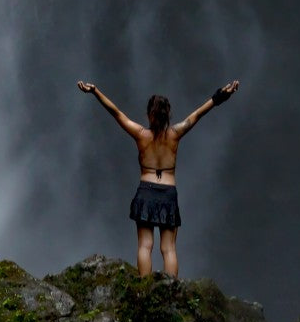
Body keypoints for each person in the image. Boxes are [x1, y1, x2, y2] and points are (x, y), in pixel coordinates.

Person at [76, 79, 240, 277]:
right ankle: (171, 292)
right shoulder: (175, 134)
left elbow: (116, 113)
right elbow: (199, 113)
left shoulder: (140, 135)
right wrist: (222, 94)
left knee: (145, 246)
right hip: (168, 193)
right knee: (168, 248)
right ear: (168, 114)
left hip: (146, 191)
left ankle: (146, 290)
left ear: (149, 114)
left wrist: (95, 91)